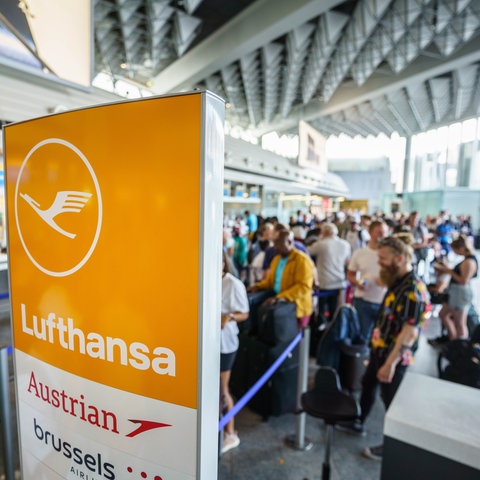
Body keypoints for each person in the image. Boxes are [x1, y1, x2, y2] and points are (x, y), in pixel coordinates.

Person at [337, 234, 430, 462]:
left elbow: (409, 333)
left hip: (393, 358)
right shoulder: (397, 280)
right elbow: (378, 281)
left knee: (392, 403)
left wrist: (390, 364)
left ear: (399, 258)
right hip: (380, 351)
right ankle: (358, 421)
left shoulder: (412, 291)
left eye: (383, 258)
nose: (379, 262)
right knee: (368, 385)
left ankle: (393, 446)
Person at [249, 230, 314, 329]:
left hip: (297, 307)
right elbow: (271, 282)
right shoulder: (276, 259)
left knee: (294, 339)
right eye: (275, 243)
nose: (276, 247)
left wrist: (279, 298)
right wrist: (257, 286)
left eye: (279, 243)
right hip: (280, 302)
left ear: (289, 242)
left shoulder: (302, 260)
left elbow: (303, 287)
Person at [220, 252, 249, 453]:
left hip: (225, 344)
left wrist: (229, 316)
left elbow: (244, 313)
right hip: (208, 343)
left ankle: (231, 434)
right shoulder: (204, 280)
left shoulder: (233, 283)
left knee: (222, 391)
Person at [346, 220, 388, 342]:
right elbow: (350, 275)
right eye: (379, 232)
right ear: (370, 233)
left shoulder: (390, 255)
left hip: (384, 302)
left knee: (381, 337)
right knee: (363, 336)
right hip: (363, 301)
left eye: (384, 232)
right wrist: (357, 283)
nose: (382, 235)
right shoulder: (359, 253)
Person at [435, 235, 478, 340]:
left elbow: (463, 281)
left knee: (460, 323)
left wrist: (449, 271)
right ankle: (453, 339)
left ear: (461, 249)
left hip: (460, 293)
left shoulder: (469, 261)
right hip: (455, 292)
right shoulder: (467, 259)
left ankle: (461, 346)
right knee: (443, 314)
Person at [307, 222, 351, 325]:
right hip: (339, 282)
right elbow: (347, 262)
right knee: (335, 310)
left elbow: (307, 251)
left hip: (324, 282)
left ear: (324, 232)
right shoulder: (345, 244)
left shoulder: (321, 244)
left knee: (322, 309)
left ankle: (321, 328)